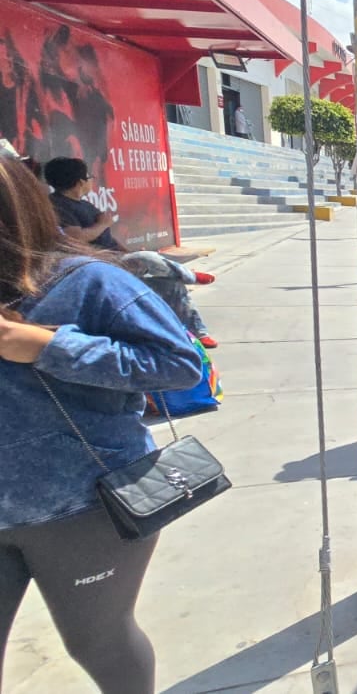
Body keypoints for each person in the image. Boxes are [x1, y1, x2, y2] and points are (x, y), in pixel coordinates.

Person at [0, 156, 204, 694]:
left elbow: (179, 365)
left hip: (83, 505)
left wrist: (50, 346)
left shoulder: (87, 281)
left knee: (97, 642)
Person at [45, 157, 218, 347]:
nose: (91, 181)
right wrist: (103, 223)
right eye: (89, 177)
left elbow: (107, 238)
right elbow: (74, 238)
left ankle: (199, 333)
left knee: (171, 284)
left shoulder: (85, 205)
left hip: (115, 258)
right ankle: (190, 275)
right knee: (146, 258)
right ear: (80, 182)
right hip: (97, 266)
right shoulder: (57, 206)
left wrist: (127, 251)